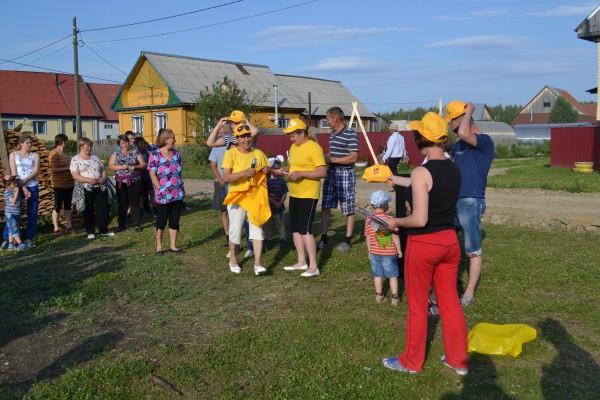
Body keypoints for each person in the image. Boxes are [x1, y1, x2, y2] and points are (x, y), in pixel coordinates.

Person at [382, 112, 467, 375]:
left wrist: (396, 222)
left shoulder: (422, 171)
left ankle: (411, 361)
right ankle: (458, 360)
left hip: (424, 245)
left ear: (421, 139)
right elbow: (428, 185)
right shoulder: (453, 168)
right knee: (450, 302)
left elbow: (419, 218)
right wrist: (397, 180)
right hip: (450, 243)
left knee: (418, 306)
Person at [446, 100, 494, 307]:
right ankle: (451, 280)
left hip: (471, 201)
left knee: (472, 248)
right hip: (454, 200)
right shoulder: (458, 146)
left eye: (455, 126)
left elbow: (466, 132)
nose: (455, 132)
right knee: (450, 243)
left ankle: (469, 293)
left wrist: (469, 112)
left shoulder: (484, 141)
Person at [276, 119, 327, 277]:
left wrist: (301, 174)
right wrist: (285, 169)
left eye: (293, 135)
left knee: (306, 229)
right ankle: (301, 261)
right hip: (295, 192)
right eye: (289, 135)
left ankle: (313, 266)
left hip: (309, 194)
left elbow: (322, 172)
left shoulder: (314, 148)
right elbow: (293, 165)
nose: (291, 138)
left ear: (302, 133)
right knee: (295, 229)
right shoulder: (294, 147)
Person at [222, 125, 270, 275]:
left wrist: (267, 171)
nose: (246, 139)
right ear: (236, 139)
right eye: (242, 136)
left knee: (257, 228)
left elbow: (266, 175)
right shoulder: (230, 154)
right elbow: (226, 177)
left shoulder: (259, 153)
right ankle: (234, 260)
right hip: (237, 197)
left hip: (255, 196)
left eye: (248, 136)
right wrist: (244, 173)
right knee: (235, 229)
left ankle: (258, 263)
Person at [317, 106, 359, 251]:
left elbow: (353, 157)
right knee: (326, 205)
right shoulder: (332, 133)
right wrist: (322, 158)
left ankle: (347, 240)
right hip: (331, 173)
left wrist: (332, 159)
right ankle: (324, 238)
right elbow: (333, 153)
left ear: (335, 119)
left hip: (345, 174)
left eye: (327, 119)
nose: (327, 122)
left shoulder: (350, 133)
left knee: (348, 207)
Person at [148, 128, 186, 254]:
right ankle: (159, 246)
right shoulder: (155, 154)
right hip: (163, 194)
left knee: (175, 220)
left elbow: (179, 171)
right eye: (173, 137)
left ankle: (173, 245)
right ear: (166, 139)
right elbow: (152, 174)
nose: (175, 140)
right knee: (161, 220)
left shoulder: (176, 154)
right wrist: (159, 188)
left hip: (177, 193)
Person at [70, 138, 115, 239]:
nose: (90, 148)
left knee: (103, 208)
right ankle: (90, 231)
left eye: (90, 146)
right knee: (88, 209)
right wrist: (89, 180)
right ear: (81, 147)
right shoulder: (75, 159)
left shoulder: (95, 157)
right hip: (86, 187)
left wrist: (103, 178)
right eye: (87, 146)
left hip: (100, 186)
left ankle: (104, 229)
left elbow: (103, 169)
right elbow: (75, 175)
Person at [1, 132, 40, 248]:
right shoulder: (13, 155)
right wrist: (22, 186)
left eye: (31, 143)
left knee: (32, 212)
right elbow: (14, 172)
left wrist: (26, 181)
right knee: (12, 212)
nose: (29, 145)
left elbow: (36, 171)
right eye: (27, 143)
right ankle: (7, 239)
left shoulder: (35, 155)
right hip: (17, 187)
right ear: (21, 143)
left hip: (32, 185)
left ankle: (30, 238)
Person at [364, 190, 401, 307]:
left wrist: (369, 251)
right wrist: (399, 249)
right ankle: (395, 297)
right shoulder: (390, 219)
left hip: (375, 252)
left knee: (377, 274)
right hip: (389, 252)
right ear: (385, 205)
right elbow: (395, 236)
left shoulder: (369, 220)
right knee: (393, 275)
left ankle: (379, 295)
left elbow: (368, 237)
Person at [108, 134, 146, 233]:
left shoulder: (135, 152)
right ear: (119, 144)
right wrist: (121, 167)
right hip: (121, 182)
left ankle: (137, 225)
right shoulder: (116, 153)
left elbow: (143, 164)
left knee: (135, 203)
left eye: (127, 142)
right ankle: (122, 225)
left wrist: (136, 167)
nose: (125, 144)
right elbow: (111, 165)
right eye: (123, 143)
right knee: (122, 203)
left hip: (134, 181)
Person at [208, 123, 231, 247]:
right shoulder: (216, 147)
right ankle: (227, 234)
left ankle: (235, 233)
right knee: (224, 211)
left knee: (235, 210)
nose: (221, 135)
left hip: (234, 181)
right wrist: (220, 179)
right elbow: (213, 165)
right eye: (220, 133)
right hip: (220, 182)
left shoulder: (234, 145)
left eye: (224, 133)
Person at [48, 134, 75, 235]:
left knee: (68, 206)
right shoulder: (53, 153)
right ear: (64, 141)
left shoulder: (66, 154)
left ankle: (69, 226)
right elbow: (53, 169)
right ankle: (56, 228)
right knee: (58, 205)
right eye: (67, 141)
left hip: (69, 183)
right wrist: (67, 168)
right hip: (59, 184)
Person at [266, 160, 288, 249]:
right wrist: (274, 202)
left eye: (278, 168)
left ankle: (283, 238)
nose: (276, 170)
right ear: (270, 169)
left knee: (280, 222)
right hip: (269, 206)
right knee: (267, 223)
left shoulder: (282, 181)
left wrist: (280, 202)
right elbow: (265, 194)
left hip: (279, 205)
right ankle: (266, 238)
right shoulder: (267, 181)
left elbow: (285, 192)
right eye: (274, 169)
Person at [3, 175, 28, 251]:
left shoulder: (15, 190)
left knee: (11, 229)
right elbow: (13, 201)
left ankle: (10, 246)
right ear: (8, 185)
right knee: (14, 229)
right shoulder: (7, 192)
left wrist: (26, 198)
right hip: (10, 214)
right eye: (14, 183)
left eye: (15, 182)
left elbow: (19, 202)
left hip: (16, 213)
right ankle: (21, 244)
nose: (16, 184)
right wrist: (17, 191)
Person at [134, 136, 155, 217]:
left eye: (144, 143)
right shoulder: (135, 153)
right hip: (139, 176)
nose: (143, 145)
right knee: (141, 195)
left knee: (151, 192)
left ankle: (154, 209)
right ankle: (143, 211)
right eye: (141, 143)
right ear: (137, 144)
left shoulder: (145, 152)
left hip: (147, 176)